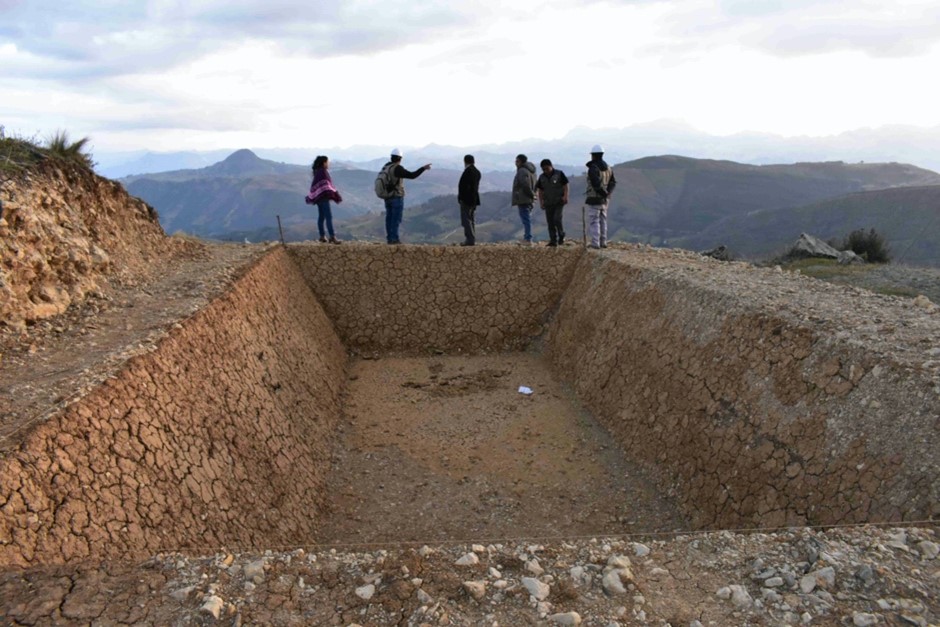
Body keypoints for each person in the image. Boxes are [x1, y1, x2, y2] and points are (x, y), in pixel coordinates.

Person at [379, 148, 431, 244]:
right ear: (400, 158)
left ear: (391, 157)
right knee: (396, 219)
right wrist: (423, 168)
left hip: (387, 197)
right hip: (396, 197)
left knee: (389, 218)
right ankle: (394, 239)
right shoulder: (397, 168)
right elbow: (412, 175)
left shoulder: (386, 166)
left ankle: (390, 238)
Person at [585, 144, 617, 248]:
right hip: (605, 199)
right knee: (603, 220)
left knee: (594, 221)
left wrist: (603, 193)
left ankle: (595, 243)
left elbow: (596, 184)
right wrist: (607, 193)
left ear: (593, 155)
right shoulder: (609, 168)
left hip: (595, 198)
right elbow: (613, 182)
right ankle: (603, 242)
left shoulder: (593, 168)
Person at [305, 155, 342, 243]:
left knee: (321, 217)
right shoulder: (323, 172)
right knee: (328, 217)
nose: (328, 163)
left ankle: (322, 236)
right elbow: (326, 185)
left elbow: (319, 186)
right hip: (323, 198)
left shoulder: (317, 172)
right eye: (327, 162)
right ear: (324, 163)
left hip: (319, 197)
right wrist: (334, 193)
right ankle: (332, 237)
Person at [535, 159, 569, 247]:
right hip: (548, 203)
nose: (545, 171)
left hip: (558, 202)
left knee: (557, 219)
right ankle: (553, 240)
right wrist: (541, 202)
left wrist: (565, 196)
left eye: (547, 168)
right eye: (543, 169)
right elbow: (540, 190)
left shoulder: (559, 174)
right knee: (550, 222)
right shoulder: (542, 177)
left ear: (551, 166)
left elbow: (565, 185)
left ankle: (561, 234)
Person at [512, 154, 537, 245]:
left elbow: (525, 185)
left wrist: (531, 195)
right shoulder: (532, 171)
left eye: (517, 161)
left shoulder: (522, 171)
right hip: (530, 199)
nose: (515, 163)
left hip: (524, 199)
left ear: (521, 162)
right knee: (527, 218)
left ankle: (528, 239)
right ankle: (527, 238)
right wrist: (534, 195)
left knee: (526, 219)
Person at [457, 154, 481, 246]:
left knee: (466, 219)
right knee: (471, 219)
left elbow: (464, 187)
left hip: (467, 199)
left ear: (465, 161)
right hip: (474, 199)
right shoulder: (477, 172)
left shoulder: (468, 171)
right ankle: (471, 238)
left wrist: (461, 198)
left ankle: (470, 239)